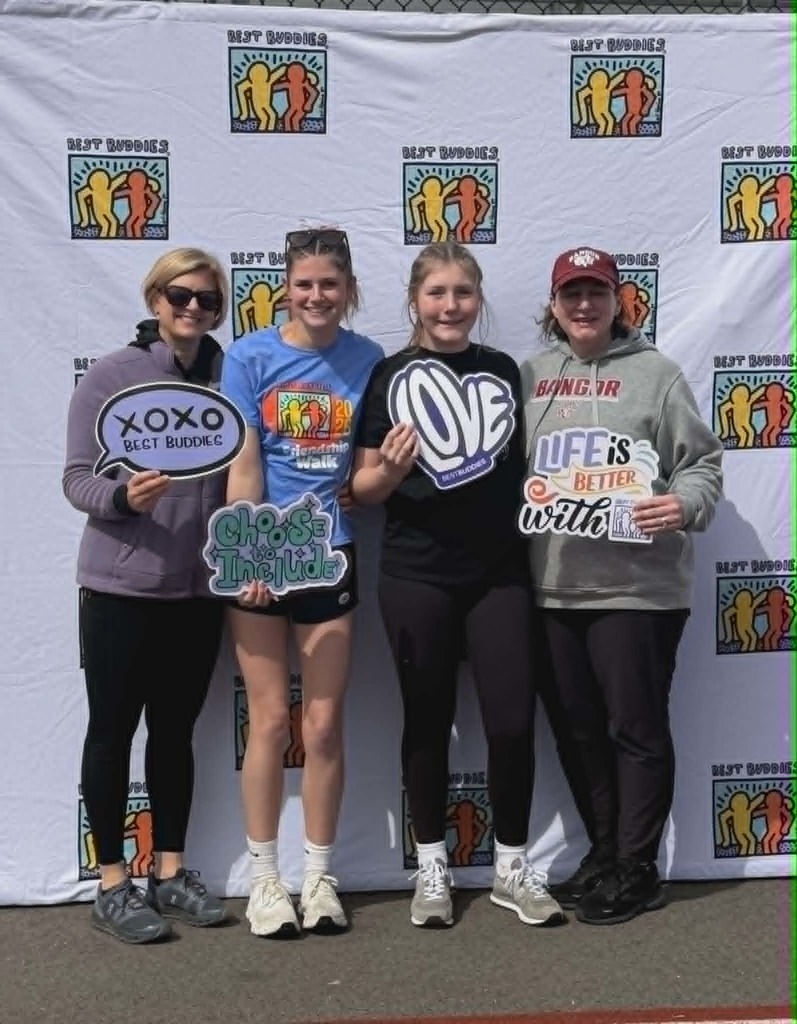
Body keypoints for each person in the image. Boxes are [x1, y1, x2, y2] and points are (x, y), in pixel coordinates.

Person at [351, 241, 563, 929]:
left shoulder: (502, 369)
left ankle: (509, 864)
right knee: (424, 720)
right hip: (416, 575)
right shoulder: (387, 375)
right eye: (436, 293)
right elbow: (361, 488)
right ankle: (432, 865)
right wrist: (387, 469)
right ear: (414, 300)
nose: (449, 306)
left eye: (462, 293)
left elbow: (530, 470)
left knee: (509, 721)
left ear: (478, 301)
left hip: (499, 575)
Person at [520, 246, 723, 925]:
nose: (583, 305)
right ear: (553, 305)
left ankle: (636, 867)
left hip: (636, 590)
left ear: (618, 301)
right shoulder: (529, 376)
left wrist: (684, 504)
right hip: (551, 589)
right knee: (577, 732)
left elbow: (699, 465)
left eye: (596, 293)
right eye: (571, 293)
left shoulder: (655, 376)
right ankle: (604, 853)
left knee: (633, 729)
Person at [63, 248, 232, 943]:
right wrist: (122, 498)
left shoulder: (231, 377)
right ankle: (111, 883)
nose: (193, 309)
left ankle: (169, 873)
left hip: (197, 591)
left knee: (173, 735)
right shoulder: (112, 375)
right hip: (119, 589)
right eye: (180, 296)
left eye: (208, 300)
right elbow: (76, 479)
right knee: (110, 734)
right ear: (155, 299)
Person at [220, 227, 382, 937]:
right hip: (263, 555)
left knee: (321, 724)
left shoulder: (368, 358)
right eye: (305, 283)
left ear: (348, 290)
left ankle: (318, 877)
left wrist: (376, 475)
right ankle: (264, 881)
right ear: (286, 287)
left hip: (332, 554)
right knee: (271, 721)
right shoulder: (249, 355)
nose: (317, 295)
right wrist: (250, 556)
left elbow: (368, 461)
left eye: (330, 283)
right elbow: (245, 463)